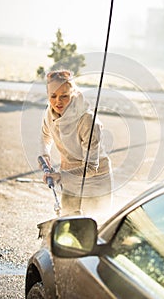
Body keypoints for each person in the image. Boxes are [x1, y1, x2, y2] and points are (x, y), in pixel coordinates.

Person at [39, 69, 113, 223]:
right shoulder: (50, 111)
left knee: (92, 226)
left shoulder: (88, 121)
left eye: (64, 96)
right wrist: (45, 155)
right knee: (67, 224)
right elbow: (46, 136)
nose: (58, 102)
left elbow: (92, 167)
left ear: (72, 94)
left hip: (96, 179)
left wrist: (60, 176)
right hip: (69, 176)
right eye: (53, 96)